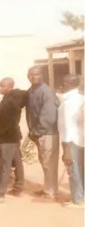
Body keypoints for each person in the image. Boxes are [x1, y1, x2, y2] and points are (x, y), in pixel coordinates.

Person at [0, 78, 26, 203]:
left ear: (10, 87)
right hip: (12, 137)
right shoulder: (10, 98)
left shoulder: (11, 101)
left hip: (7, 139)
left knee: (5, 165)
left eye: (3, 86)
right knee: (17, 163)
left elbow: (8, 122)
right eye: (0, 85)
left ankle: (0, 194)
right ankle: (18, 188)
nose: (0, 88)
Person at [26, 66, 60, 200]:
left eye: (37, 74)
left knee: (49, 162)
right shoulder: (32, 91)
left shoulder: (47, 91)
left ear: (42, 75)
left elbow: (49, 115)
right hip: (39, 132)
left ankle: (50, 192)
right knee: (44, 161)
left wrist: (37, 131)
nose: (33, 77)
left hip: (48, 133)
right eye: (31, 74)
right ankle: (48, 188)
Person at [57, 74, 84, 208]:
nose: (61, 86)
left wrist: (66, 149)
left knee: (73, 170)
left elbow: (67, 126)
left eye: (63, 83)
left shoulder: (67, 104)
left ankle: (77, 200)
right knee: (81, 169)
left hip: (71, 140)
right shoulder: (81, 99)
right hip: (81, 139)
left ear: (67, 85)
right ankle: (81, 196)